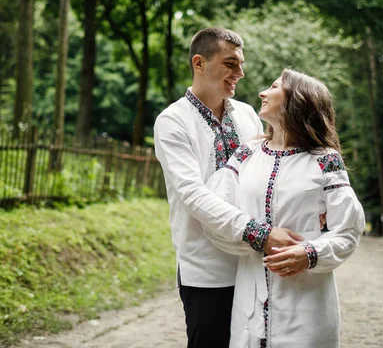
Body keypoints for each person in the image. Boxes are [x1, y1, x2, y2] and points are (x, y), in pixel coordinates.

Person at [154, 29, 304, 348]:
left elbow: (269, 174)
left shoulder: (248, 116)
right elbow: (193, 196)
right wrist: (261, 234)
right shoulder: (172, 122)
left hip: (254, 267)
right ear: (199, 63)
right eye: (230, 64)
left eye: (241, 64)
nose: (240, 73)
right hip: (207, 271)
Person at [203, 69, 366, 348]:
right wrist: (257, 234)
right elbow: (214, 212)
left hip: (306, 302)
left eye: (274, 86)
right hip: (250, 301)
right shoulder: (247, 153)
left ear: (297, 100)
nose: (262, 93)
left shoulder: (326, 160)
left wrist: (311, 253)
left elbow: (349, 231)